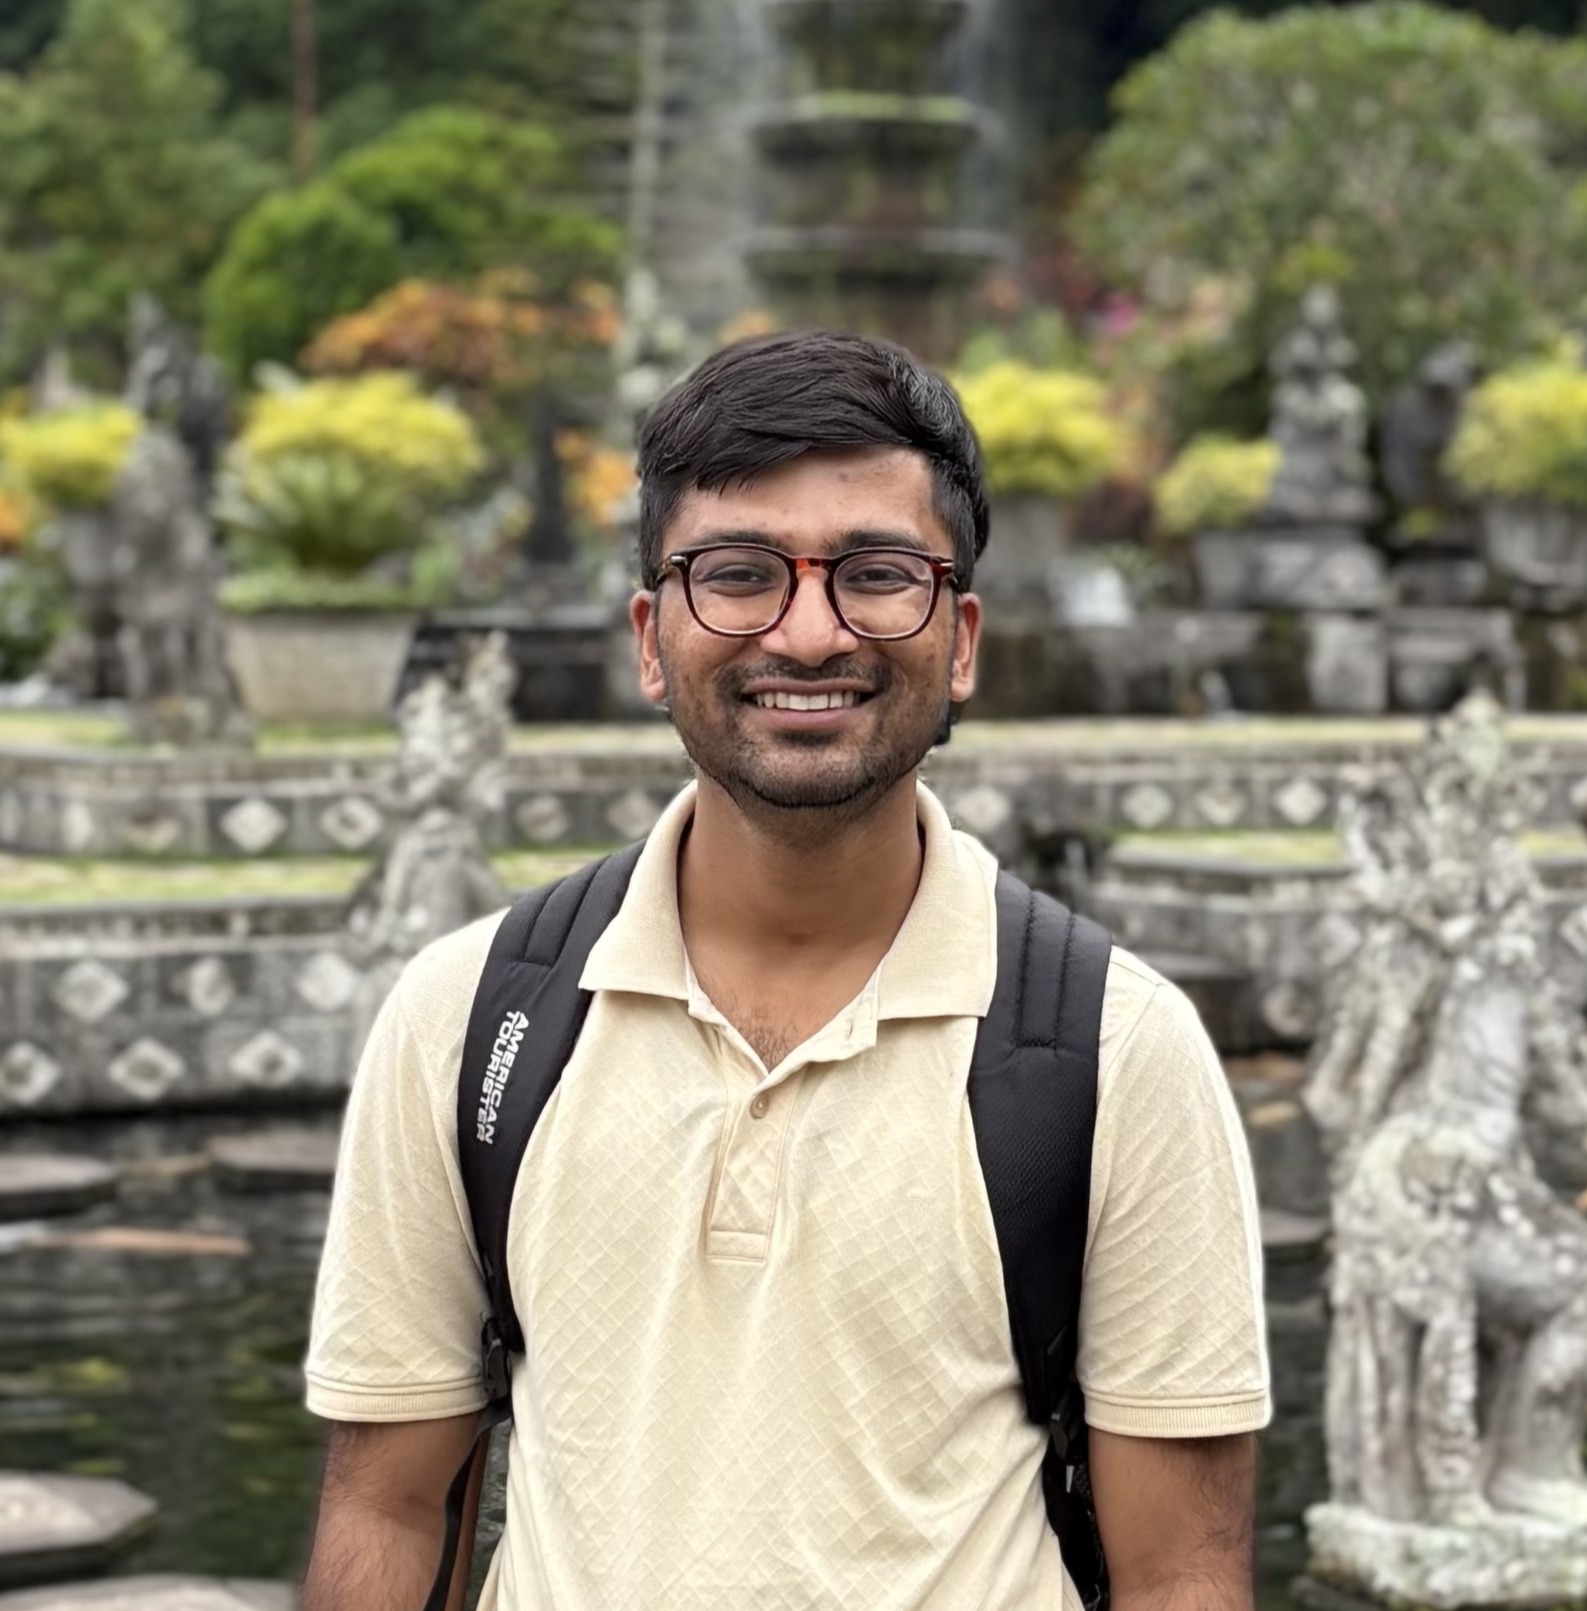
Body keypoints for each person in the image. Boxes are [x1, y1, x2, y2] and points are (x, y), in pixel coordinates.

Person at [300, 330, 1271, 1611]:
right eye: (740, 575)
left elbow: (1182, 1577)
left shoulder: (1115, 1051)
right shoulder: (473, 1019)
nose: (809, 634)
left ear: (963, 640)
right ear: (652, 639)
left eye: (876, 574)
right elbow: (383, 1505)